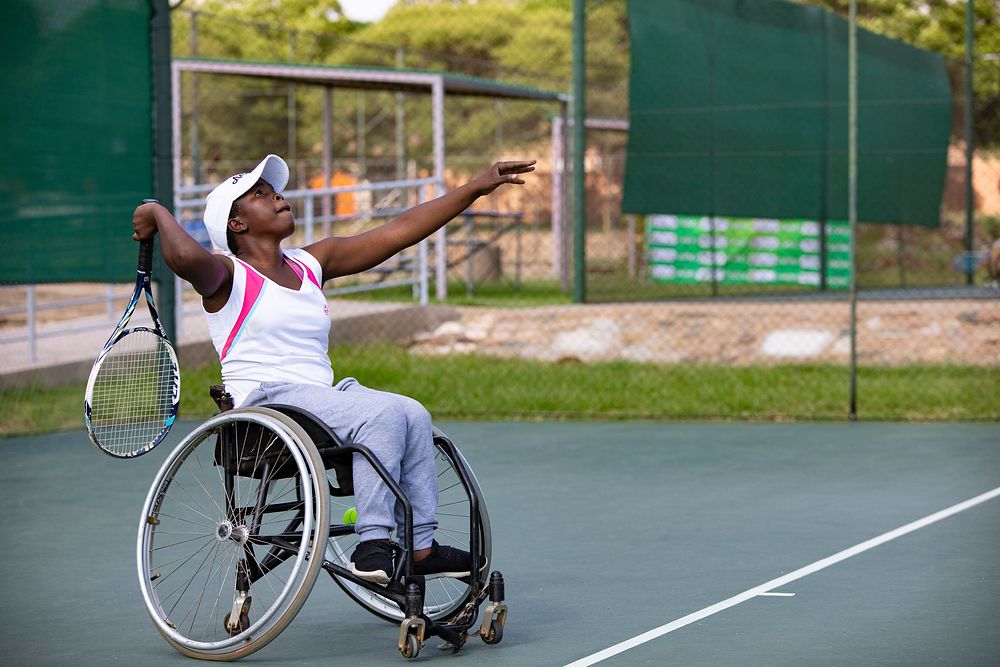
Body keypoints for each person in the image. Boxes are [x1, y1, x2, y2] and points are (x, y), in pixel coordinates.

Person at [132, 154, 535, 583]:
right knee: (379, 416)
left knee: (412, 413)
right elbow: (183, 258)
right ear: (237, 225)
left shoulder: (309, 265)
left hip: (320, 399)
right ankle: (374, 544)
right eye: (261, 195)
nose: (278, 197)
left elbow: (397, 232)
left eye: (275, 190)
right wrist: (157, 211)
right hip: (267, 405)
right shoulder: (228, 277)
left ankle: (421, 548)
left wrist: (475, 186)